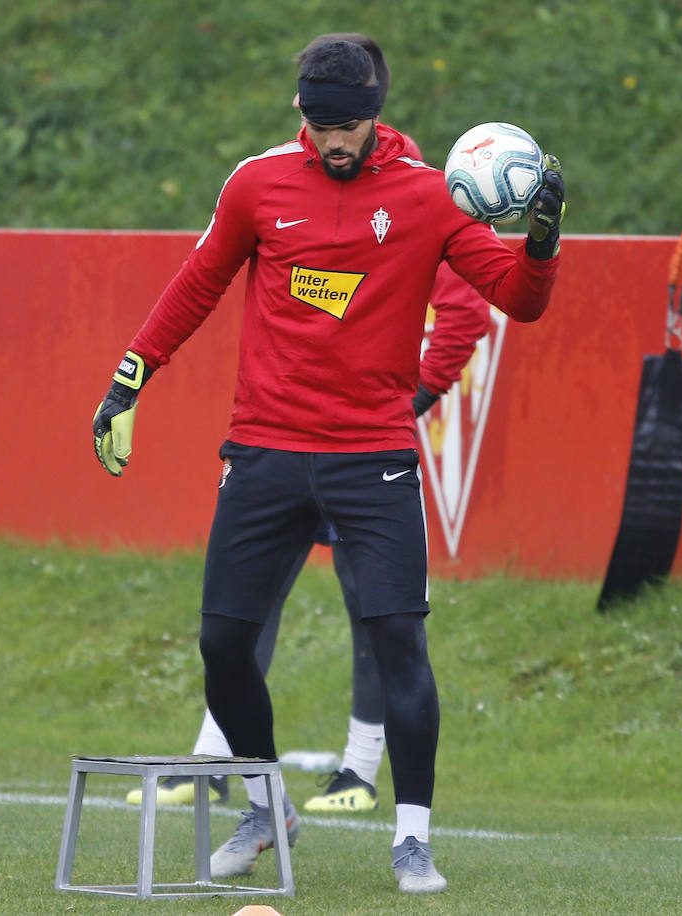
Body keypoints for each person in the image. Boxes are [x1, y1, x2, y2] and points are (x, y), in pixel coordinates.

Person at [92, 37, 563, 894]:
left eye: (347, 126)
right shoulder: (258, 182)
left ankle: (412, 840)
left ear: (376, 114)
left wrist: (543, 237)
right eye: (318, 124)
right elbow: (198, 281)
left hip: (370, 456)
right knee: (223, 644)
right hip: (265, 448)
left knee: (398, 642)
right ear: (298, 114)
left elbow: (520, 303)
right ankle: (268, 810)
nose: (333, 142)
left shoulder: (428, 196)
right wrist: (132, 375)